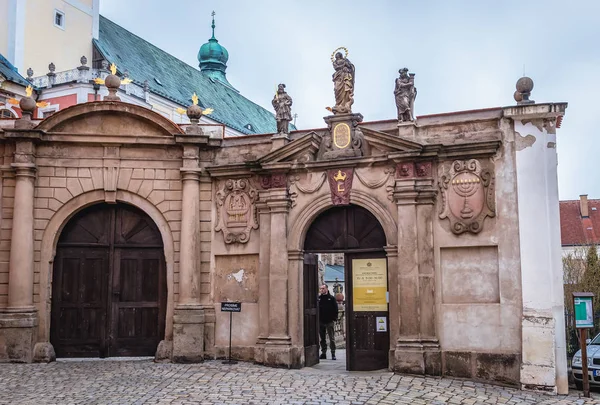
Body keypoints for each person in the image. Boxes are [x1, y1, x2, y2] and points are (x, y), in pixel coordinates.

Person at [318, 284, 339, 360]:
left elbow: (335, 309)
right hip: (321, 321)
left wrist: (334, 318)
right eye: (321, 289)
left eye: (323, 288)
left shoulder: (332, 298)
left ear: (326, 289)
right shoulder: (319, 298)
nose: (321, 290)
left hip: (329, 321)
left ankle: (333, 353)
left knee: (331, 338)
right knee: (322, 338)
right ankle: (323, 353)